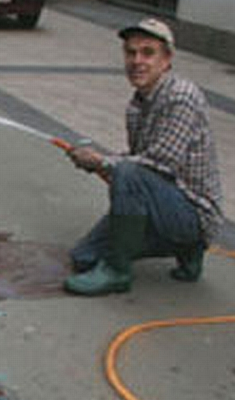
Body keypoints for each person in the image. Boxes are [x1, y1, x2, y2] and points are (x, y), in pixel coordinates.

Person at [63, 18, 222, 296]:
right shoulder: (138, 104)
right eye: (131, 52)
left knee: (127, 172)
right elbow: (142, 160)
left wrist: (102, 162)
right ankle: (186, 251)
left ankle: (118, 271)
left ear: (167, 60)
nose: (137, 61)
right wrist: (97, 162)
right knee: (83, 257)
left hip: (193, 213)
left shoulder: (181, 97)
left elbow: (160, 163)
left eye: (148, 53)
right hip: (163, 201)